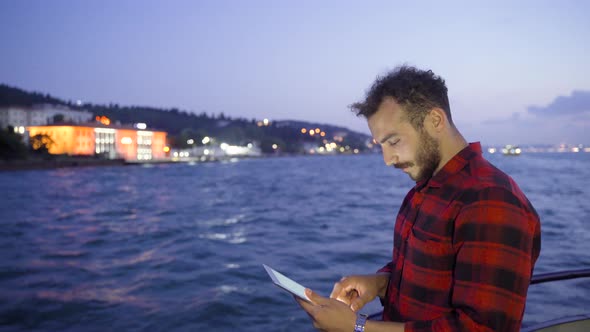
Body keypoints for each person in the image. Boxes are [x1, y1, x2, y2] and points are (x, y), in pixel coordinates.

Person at [296, 65, 541, 331]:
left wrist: (358, 327)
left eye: (394, 141)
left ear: (435, 121)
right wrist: (376, 284)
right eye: (382, 146)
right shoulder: (424, 191)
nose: (388, 160)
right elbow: (429, 278)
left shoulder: (491, 200)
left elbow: (483, 328)